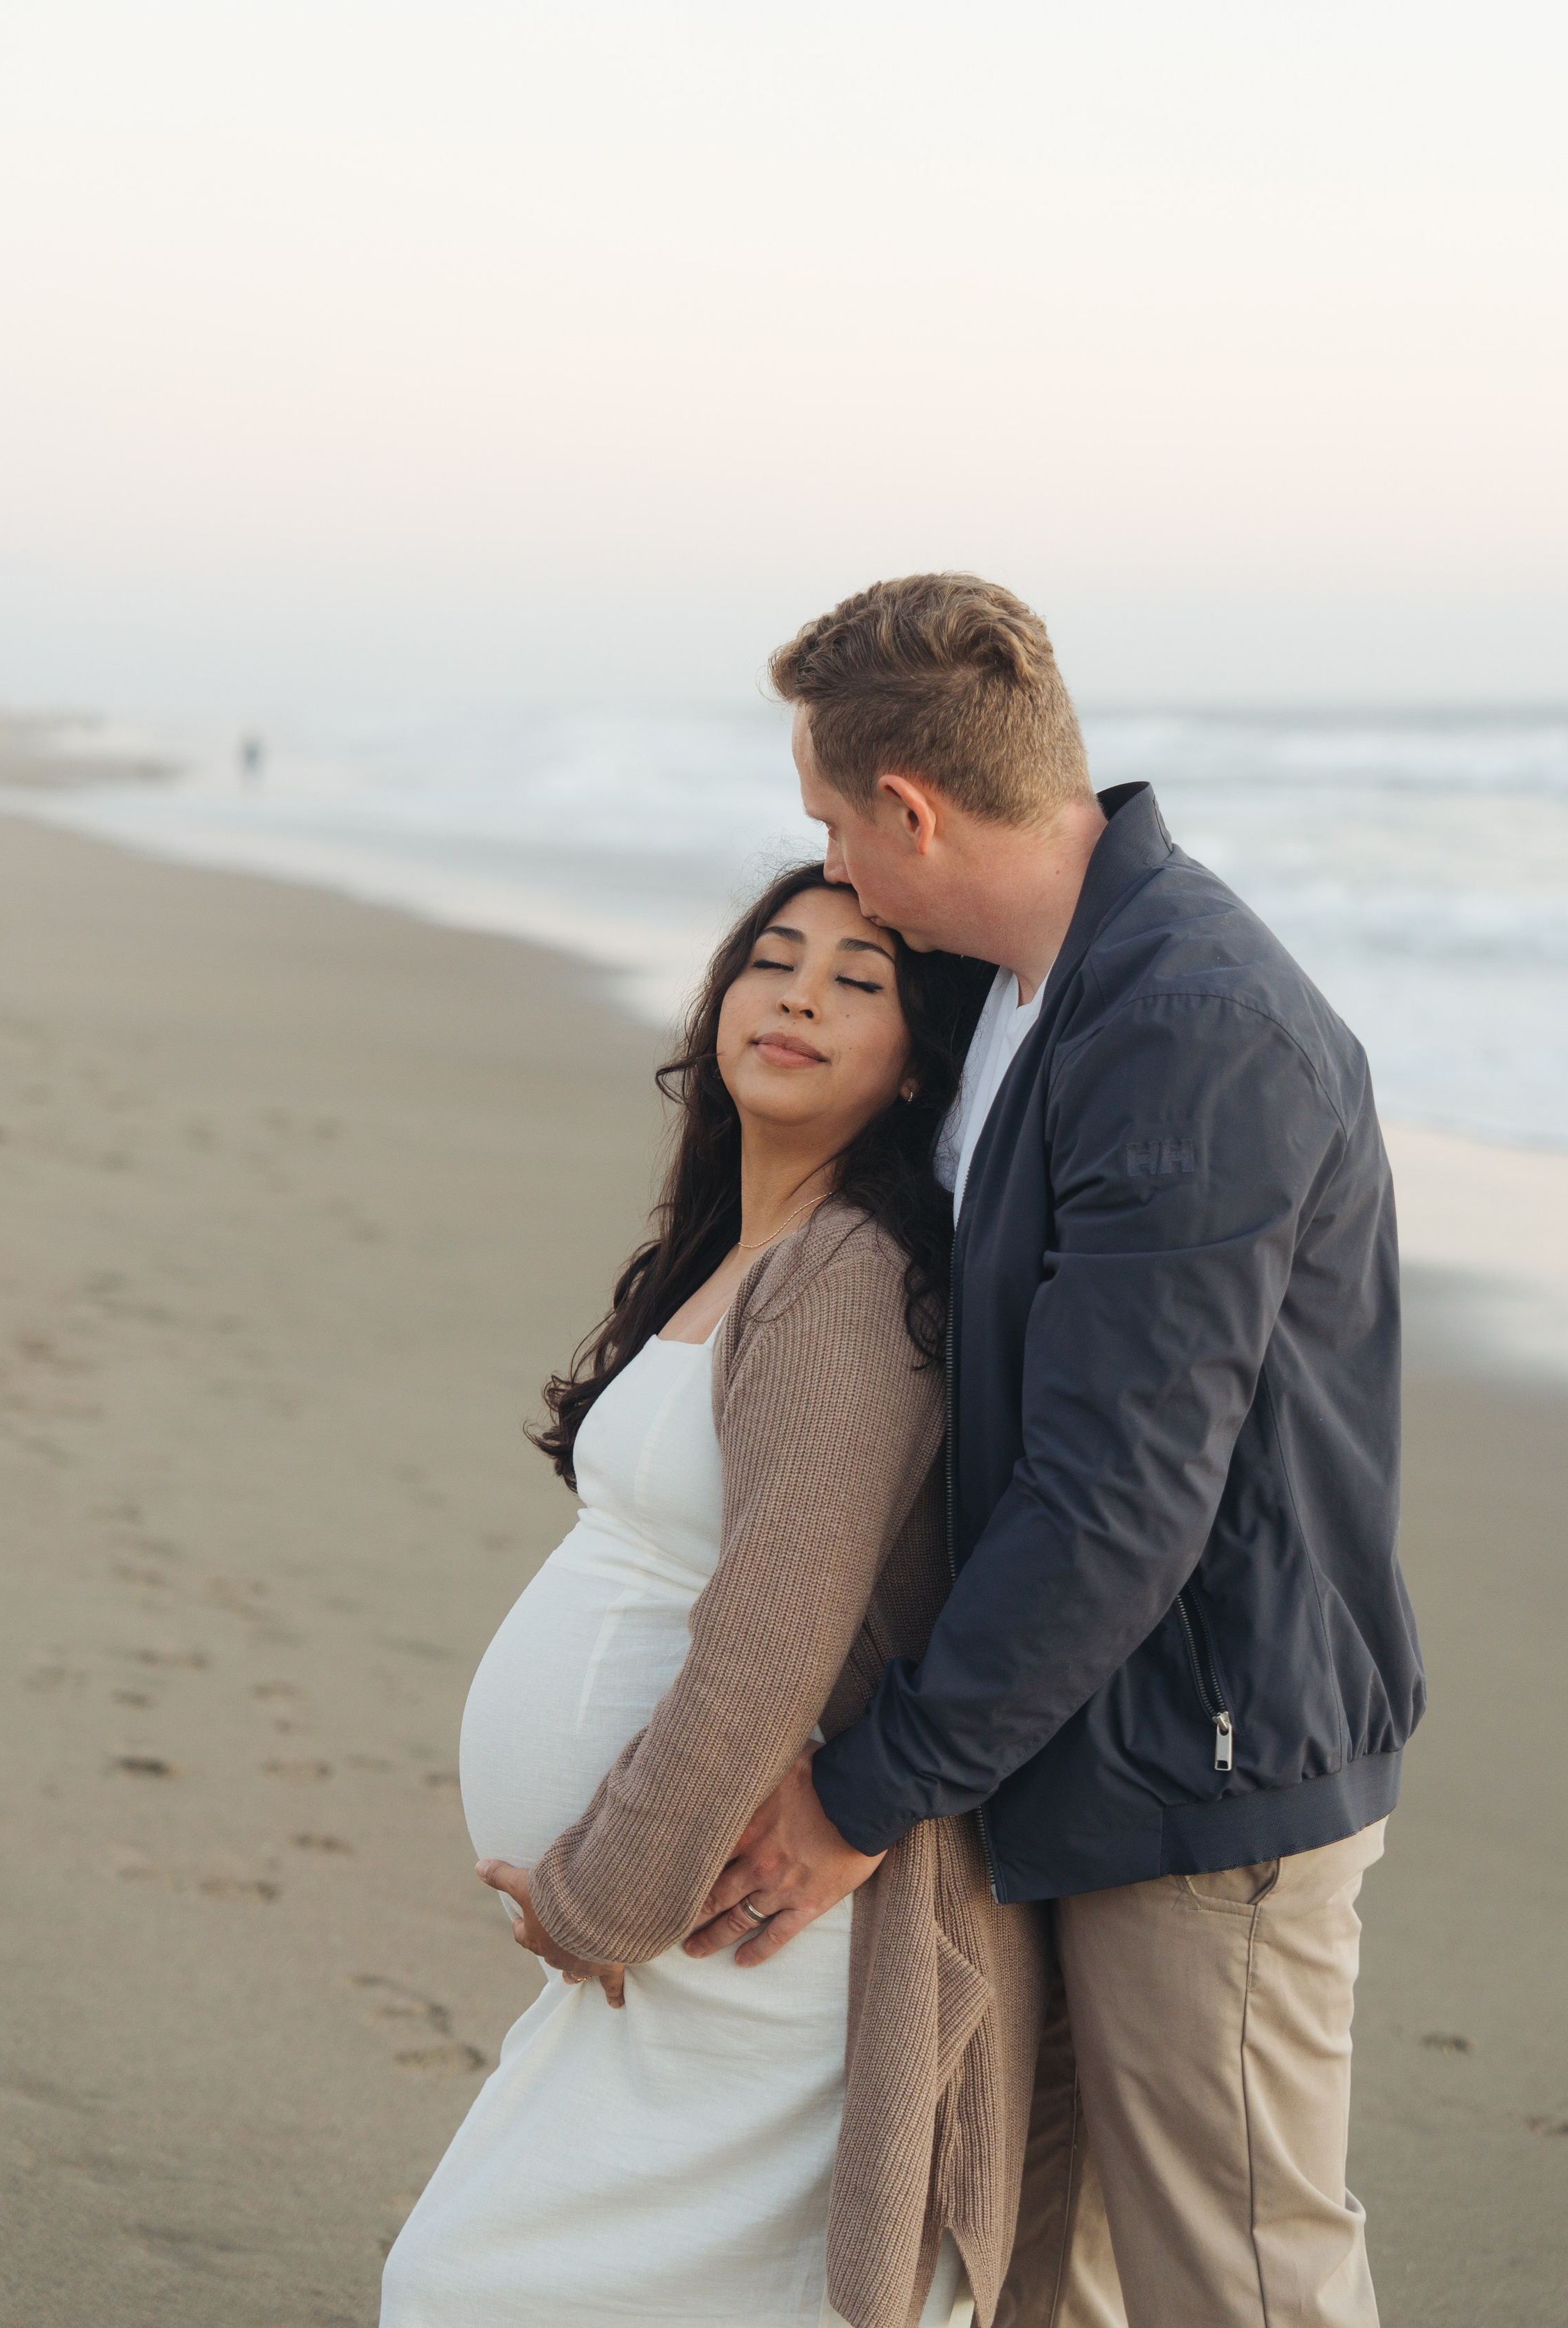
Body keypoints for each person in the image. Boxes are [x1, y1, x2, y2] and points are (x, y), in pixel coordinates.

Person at [684, 576, 1427, 2328]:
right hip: (1067, 1754)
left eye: (831, 825)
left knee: (1236, 2285)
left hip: (1204, 1779)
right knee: (1036, 2287)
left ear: (910, 809)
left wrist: (867, 1791)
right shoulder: (1030, 992)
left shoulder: (1185, 1030)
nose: (831, 869)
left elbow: (1116, 1501)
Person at [380, 862, 1049, 2328]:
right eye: (772, 960)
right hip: (687, 1942)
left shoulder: (852, 1275)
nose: (799, 996)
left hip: (742, 1932)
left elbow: (770, 1642)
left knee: (468, 2291)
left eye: (856, 982)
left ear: (917, 1065)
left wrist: (603, 1895)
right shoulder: (741, 1254)